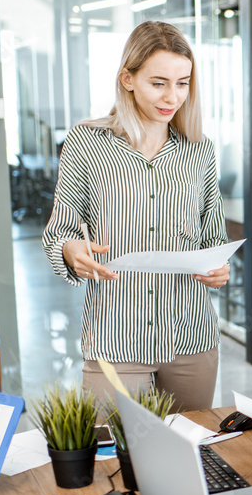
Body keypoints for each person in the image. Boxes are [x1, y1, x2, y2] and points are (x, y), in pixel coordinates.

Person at [42, 21, 229, 415]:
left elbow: (214, 238)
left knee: (190, 454)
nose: (173, 96)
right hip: (116, 337)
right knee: (113, 468)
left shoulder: (199, 150)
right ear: (127, 78)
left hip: (190, 336)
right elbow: (59, 231)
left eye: (183, 83)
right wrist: (72, 250)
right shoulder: (86, 142)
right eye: (158, 83)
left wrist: (218, 269)